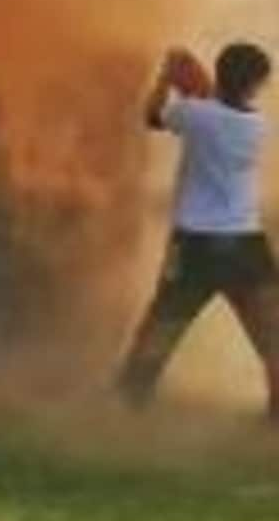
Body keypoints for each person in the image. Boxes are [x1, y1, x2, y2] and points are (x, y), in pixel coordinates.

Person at [117, 43, 279, 424]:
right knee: (272, 335)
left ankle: (126, 407)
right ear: (255, 84)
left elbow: (153, 116)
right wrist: (196, 77)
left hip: (194, 245)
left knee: (162, 326)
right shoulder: (257, 126)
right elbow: (216, 106)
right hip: (245, 245)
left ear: (221, 74)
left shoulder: (193, 114)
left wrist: (168, 77)